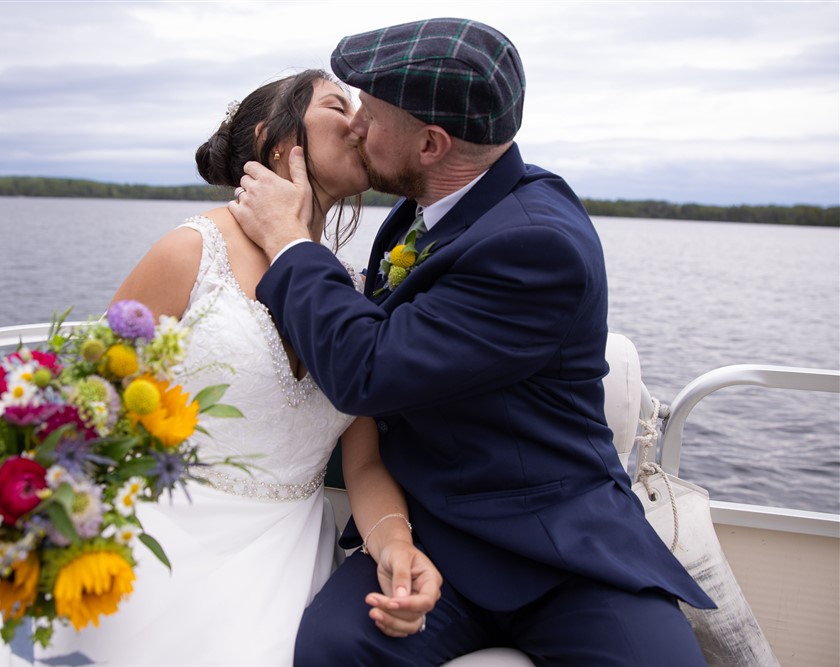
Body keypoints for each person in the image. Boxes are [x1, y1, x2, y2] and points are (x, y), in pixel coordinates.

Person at [228, 18, 716, 667]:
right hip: (438, 538)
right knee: (332, 647)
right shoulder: (423, 211)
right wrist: (395, 537)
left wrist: (290, 242)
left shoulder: (538, 242)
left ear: (430, 143)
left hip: (559, 550)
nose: (356, 127)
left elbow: (367, 369)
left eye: (369, 114)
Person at [0, 69, 440, 667]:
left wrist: (393, 543)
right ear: (275, 139)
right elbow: (86, 406)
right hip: (155, 542)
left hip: (282, 560)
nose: (360, 122)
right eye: (338, 106)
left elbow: (362, 460)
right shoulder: (191, 252)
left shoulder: (349, 294)